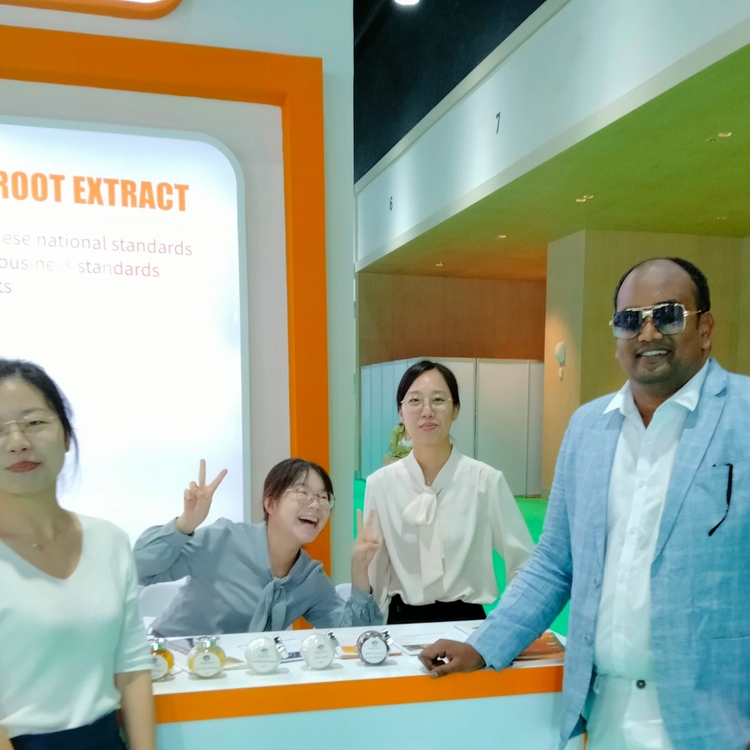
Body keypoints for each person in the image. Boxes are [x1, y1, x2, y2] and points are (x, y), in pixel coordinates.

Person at [420, 258, 750, 750]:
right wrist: (483, 645)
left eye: (668, 315)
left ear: (704, 329)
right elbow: (555, 562)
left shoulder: (744, 415)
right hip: (606, 711)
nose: (647, 332)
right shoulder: (588, 428)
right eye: (630, 320)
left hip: (718, 720)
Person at [0, 360, 154, 750]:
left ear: (66, 435)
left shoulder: (110, 541)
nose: (17, 442)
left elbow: (132, 669)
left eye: (34, 422)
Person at [365, 360, 534, 624]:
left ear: (455, 409)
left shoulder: (486, 482)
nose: (427, 411)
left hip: (467, 624)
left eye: (438, 400)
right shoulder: (381, 484)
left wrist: (507, 623)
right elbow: (376, 571)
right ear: (401, 412)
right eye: (415, 400)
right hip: (401, 625)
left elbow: (525, 561)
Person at [135, 457, 382, 635]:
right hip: (173, 663)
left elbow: (356, 637)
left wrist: (359, 571)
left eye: (323, 497)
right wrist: (185, 524)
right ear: (270, 503)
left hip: (240, 678)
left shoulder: (309, 579)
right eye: (303, 493)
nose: (316, 505)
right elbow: (139, 568)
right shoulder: (223, 540)